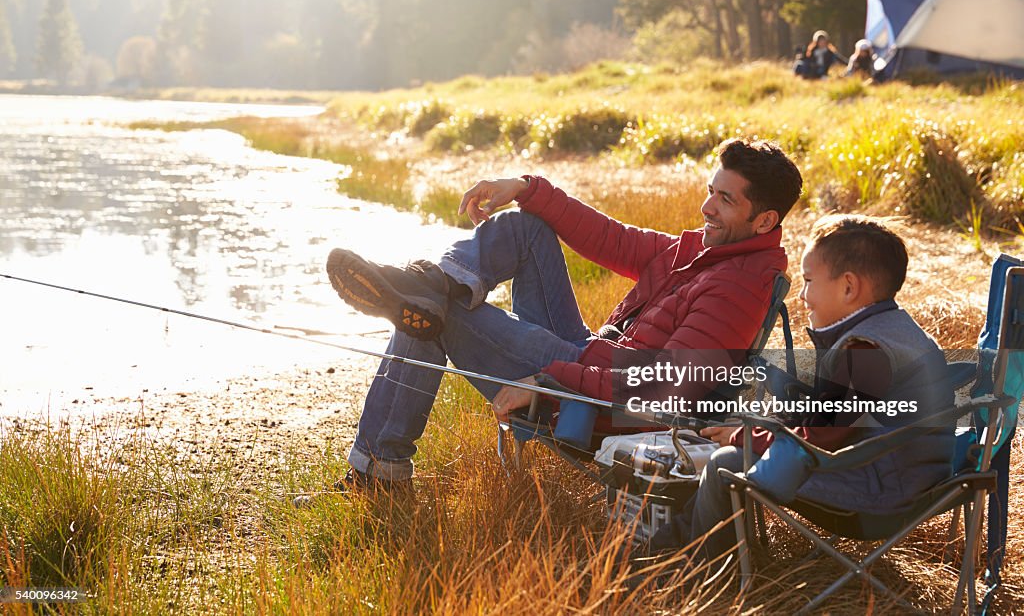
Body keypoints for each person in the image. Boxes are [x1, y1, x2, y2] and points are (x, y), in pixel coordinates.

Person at [318, 138, 804, 495]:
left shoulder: (739, 286)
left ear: (764, 221)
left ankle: (377, 473)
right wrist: (524, 187)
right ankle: (433, 284)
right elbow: (609, 238)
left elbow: (663, 388)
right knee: (525, 228)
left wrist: (549, 378)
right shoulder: (703, 250)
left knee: (434, 315)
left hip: (595, 403)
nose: (707, 207)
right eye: (710, 191)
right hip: (593, 355)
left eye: (725, 200)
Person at [654, 215, 955, 559]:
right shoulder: (894, 329)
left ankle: (694, 564)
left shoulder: (865, 349)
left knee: (726, 463)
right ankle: (677, 543)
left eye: (809, 280)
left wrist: (746, 435)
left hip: (880, 496)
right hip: (907, 479)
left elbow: (823, 437)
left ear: (848, 287)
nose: (801, 294)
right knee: (746, 443)